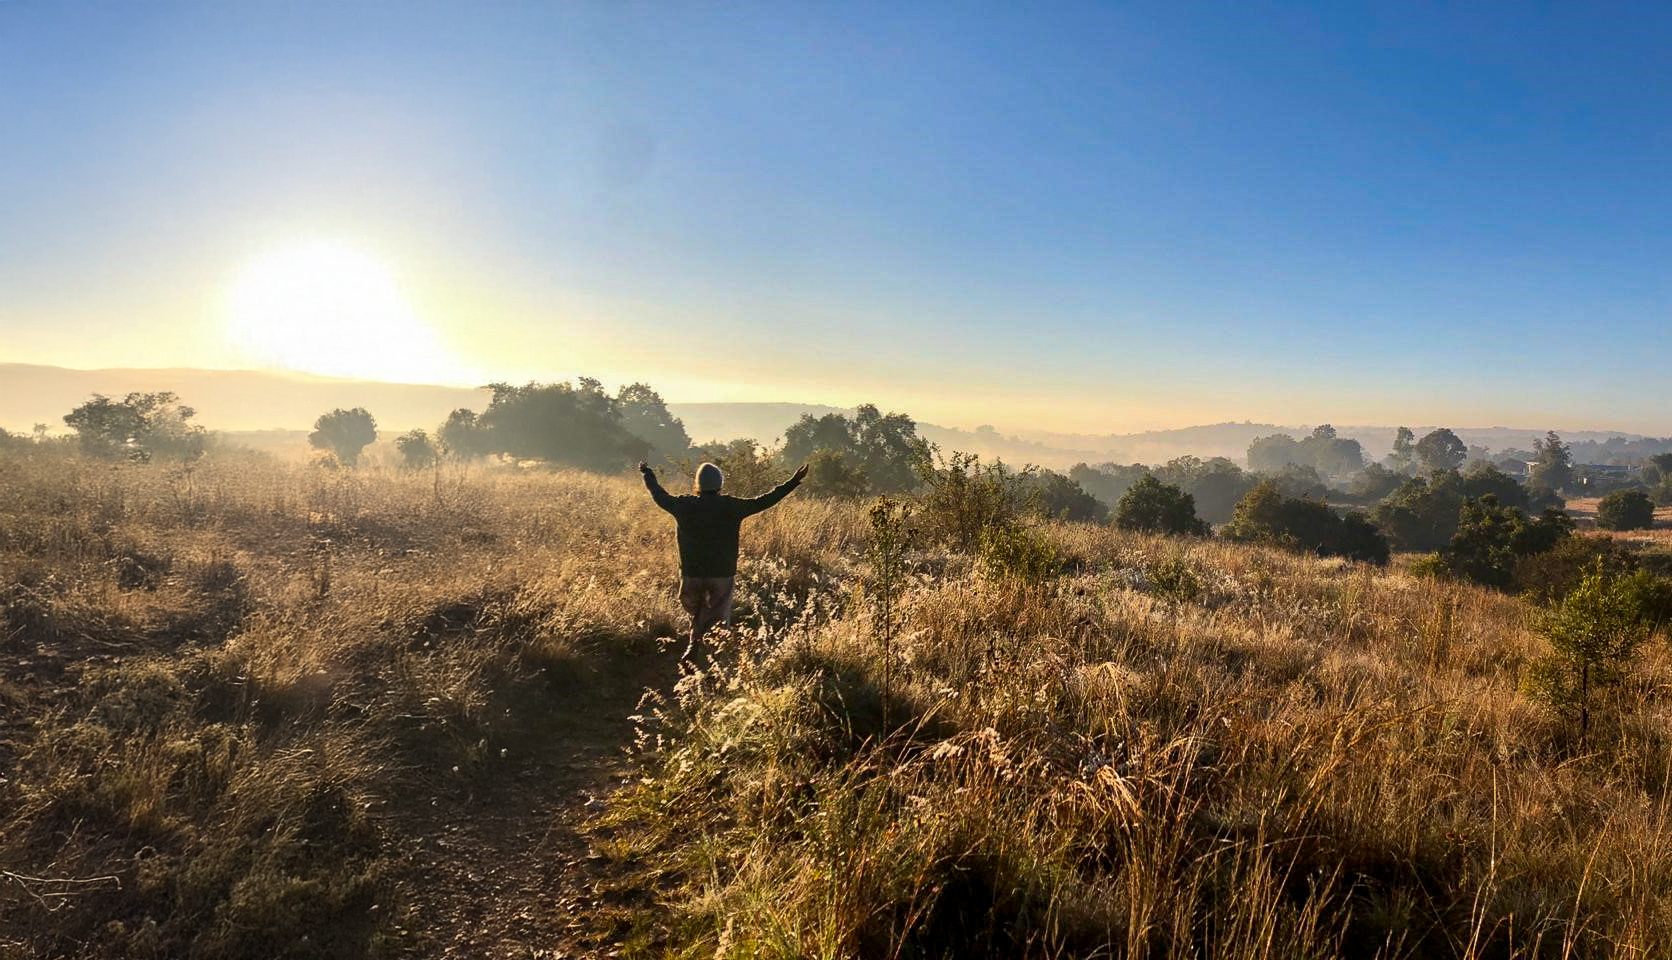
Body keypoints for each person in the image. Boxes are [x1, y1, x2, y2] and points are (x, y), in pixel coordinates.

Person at [639, 459, 808, 649]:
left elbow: (658, 494)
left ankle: (694, 646)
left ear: (697, 484)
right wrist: (794, 481)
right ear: (720, 484)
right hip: (722, 573)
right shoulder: (731, 506)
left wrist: (647, 473)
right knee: (718, 621)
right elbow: (765, 500)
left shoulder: (683, 505)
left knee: (696, 613)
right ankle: (713, 660)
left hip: (691, 573)